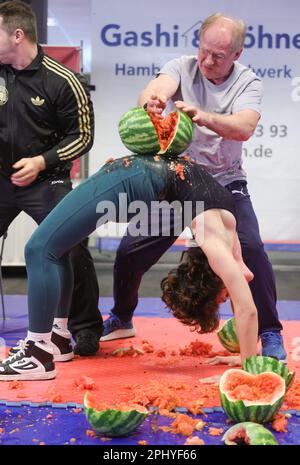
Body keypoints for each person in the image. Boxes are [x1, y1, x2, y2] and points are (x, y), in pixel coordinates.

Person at [100, 13, 286, 362]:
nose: (207, 61)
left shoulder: (248, 83)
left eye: (218, 55)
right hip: (179, 179)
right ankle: (122, 316)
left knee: (252, 248)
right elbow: (154, 89)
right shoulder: (181, 67)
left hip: (224, 180)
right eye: (204, 51)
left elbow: (244, 127)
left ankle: (270, 331)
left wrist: (205, 117)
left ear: (237, 54)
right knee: (129, 250)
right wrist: (151, 102)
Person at [0, 153, 258, 380]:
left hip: (139, 172)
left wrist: (247, 357)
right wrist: (248, 370)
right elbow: (247, 309)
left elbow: (244, 278)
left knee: (58, 246)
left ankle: (56, 339)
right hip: (128, 178)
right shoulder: (214, 242)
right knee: (40, 249)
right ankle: (38, 353)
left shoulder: (227, 235)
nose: (227, 300)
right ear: (211, 281)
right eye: (221, 301)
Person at [0, 1, 102, 356]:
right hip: (2, 180)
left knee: (70, 246)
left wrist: (42, 162)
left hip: (48, 180)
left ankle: (84, 328)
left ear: (16, 35)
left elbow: (83, 136)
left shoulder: (63, 80)